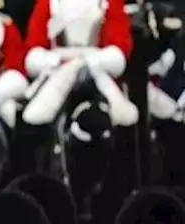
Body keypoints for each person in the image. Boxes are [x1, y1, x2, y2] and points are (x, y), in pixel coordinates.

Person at [17, 0, 134, 167]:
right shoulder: (48, 4)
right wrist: (56, 61)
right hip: (56, 71)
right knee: (34, 115)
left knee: (125, 117)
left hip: (97, 70)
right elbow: (33, 52)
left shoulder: (110, 3)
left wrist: (87, 61)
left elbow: (119, 50)